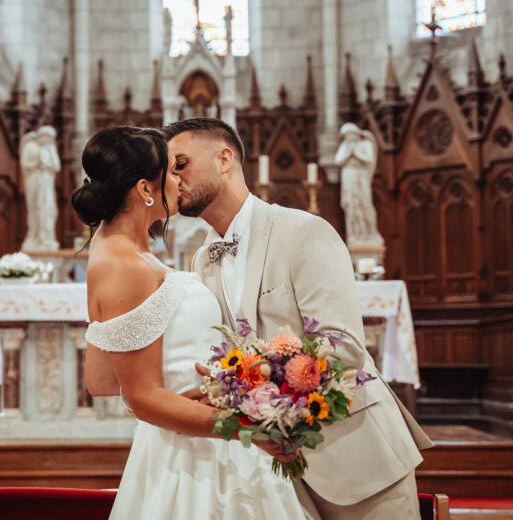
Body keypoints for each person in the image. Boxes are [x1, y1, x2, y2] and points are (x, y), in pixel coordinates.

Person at [165, 117, 433, 520]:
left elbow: (343, 347)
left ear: (224, 159)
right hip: (272, 472)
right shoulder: (203, 259)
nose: (173, 180)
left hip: (353, 453)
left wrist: (250, 383)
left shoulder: (303, 231)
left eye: (180, 164)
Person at [72, 126, 315, 520]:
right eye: (171, 171)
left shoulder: (122, 252)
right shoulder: (123, 264)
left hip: (194, 432)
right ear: (144, 189)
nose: (179, 180)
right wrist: (245, 426)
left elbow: (101, 380)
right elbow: (142, 395)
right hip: (197, 454)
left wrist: (176, 397)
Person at [335, 122, 383, 247]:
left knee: (364, 204)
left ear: (355, 133)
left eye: (349, 134)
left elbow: (369, 160)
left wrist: (355, 153)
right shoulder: (344, 146)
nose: (347, 138)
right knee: (351, 204)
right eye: (345, 136)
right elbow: (338, 160)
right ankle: (355, 234)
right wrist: (348, 153)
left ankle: (369, 234)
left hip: (360, 176)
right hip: (348, 176)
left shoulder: (365, 144)